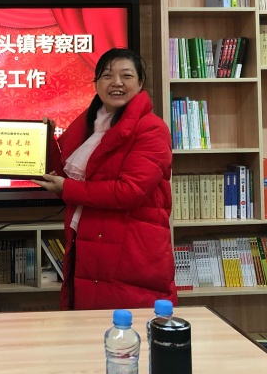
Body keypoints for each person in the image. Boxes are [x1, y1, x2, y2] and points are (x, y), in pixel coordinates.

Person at [32, 47, 176, 310]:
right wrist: (47, 141)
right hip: (91, 241)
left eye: (126, 76)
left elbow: (129, 191)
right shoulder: (90, 125)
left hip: (130, 252)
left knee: (125, 329)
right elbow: (66, 178)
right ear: (96, 83)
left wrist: (68, 188)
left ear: (140, 83)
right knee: (91, 327)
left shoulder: (152, 129)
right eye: (107, 76)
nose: (116, 83)